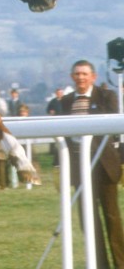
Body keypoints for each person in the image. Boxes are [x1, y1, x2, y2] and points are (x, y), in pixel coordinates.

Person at [60, 59, 124, 268]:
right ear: (72, 77)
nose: (81, 77)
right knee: (88, 221)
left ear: (93, 77)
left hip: (104, 167)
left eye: (84, 74)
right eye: (77, 74)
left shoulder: (107, 96)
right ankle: (99, 264)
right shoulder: (66, 101)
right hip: (79, 169)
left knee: (112, 218)